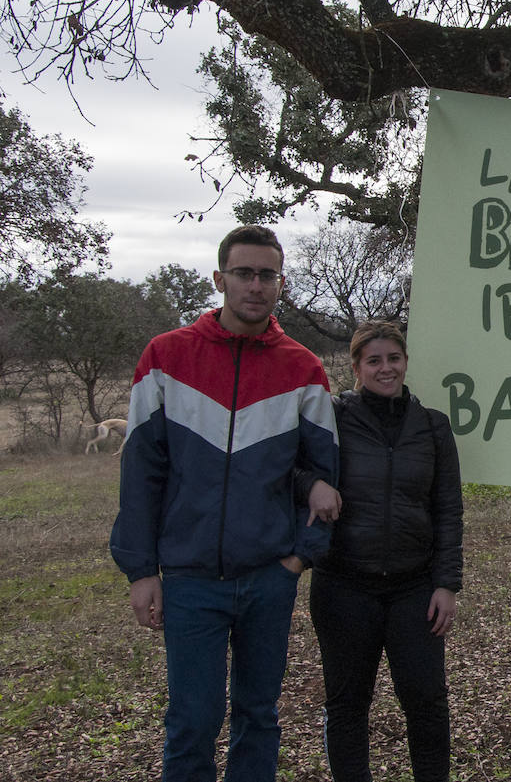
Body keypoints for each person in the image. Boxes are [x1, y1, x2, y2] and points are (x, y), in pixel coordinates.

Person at [110, 224, 341, 782]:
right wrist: (142, 570)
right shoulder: (165, 358)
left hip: (269, 576)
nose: (255, 285)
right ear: (220, 279)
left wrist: (300, 559)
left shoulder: (303, 368)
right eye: (244, 273)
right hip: (190, 580)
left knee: (258, 717)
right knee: (192, 720)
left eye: (267, 275)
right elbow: (141, 472)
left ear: (280, 283)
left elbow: (326, 475)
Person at [310, 320, 464, 782]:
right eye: (373, 360)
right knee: (347, 704)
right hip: (343, 585)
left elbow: (448, 510)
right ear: (356, 367)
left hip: (413, 589)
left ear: (405, 362)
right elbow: (293, 471)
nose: (385, 368)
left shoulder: (433, 427)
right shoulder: (331, 419)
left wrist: (446, 584)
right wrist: (311, 483)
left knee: (427, 700)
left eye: (393, 359)